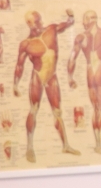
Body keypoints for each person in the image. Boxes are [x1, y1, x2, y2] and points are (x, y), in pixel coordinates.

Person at [12, 8, 80, 162]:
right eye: (37, 21)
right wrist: (15, 84)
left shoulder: (51, 30)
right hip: (37, 76)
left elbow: (68, 24)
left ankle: (65, 145)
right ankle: (30, 147)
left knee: (58, 113)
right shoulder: (26, 44)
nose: (40, 22)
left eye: (40, 19)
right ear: (30, 23)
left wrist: (71, 16)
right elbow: (19, 65)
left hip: (52, 77)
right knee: (34, 110)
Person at [67, 10, 101, 153]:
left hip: (90, 71)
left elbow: (72, 58)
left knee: (96, 109)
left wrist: (70, 78)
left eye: (84, 20)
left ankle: (97, 145)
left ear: (90, 20)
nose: (83, 23)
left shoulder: (81, 37)